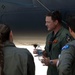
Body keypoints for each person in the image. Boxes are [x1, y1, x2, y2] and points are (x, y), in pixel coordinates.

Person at [33, 11, 73, 75]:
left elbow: (68, 58)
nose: (46, 24)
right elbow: (48, 52)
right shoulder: (49, 36)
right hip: (51, 72)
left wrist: (50, 62)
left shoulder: (65, 36)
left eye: (48, 22)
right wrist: (41, 52)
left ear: (56, 22)